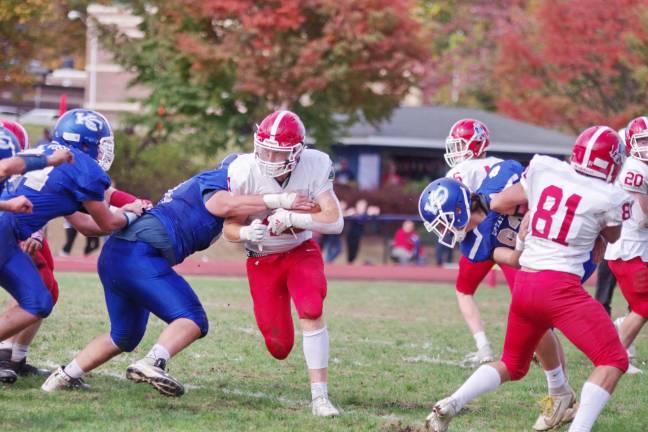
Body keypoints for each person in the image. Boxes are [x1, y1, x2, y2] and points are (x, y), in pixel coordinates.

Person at [42, 154, 313, 395]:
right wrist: (278, 199)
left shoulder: (217, 187)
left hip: (119, 254)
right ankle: (153, 362)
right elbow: (222, 204)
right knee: (193, 319)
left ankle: (63, 377)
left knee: (123, 335)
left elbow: (234, 221)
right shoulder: (220, 181)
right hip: (137, 254)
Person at [425, 126, 630, 432]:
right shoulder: (609, 195)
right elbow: (611, 236)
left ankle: (452, 402)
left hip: (526, 287)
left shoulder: (546, 170)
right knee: (613, 359)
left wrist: (525, 227)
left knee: (512, 364)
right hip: (560, 284)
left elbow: (500, 202)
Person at [0, 109, 146, 384]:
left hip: (8, 233)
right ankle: (6, 353)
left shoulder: (46, 151)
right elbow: (107, 223)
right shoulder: (84, 169)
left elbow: (85, 224)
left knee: (39, 300)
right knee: (37, 299)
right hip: (6, 234)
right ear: (87, 142)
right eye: (100, 144)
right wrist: (133, 212)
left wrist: (125, 210)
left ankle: (12, 354)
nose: (103, 151)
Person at [223, 110, 344, 417]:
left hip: (300, 250)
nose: (269, 157)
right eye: (264, 149)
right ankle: (308, 381)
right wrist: (248, 231)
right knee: (279, 346)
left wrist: (292, 218)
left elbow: (334, 220)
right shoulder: (243, 170)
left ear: (297, 152)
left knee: (311, 308)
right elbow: (229, 229)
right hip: (262, 258)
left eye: (278, 152)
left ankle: (320, 397)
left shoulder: (315, 164)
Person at [444, 118, 505, 363]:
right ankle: (538, 345)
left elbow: (455, 208)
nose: (456, 150)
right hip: (506, 234)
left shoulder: (460, 171)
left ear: (476, 144)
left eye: (460, 144)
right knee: (526, 293)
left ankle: (484, 347)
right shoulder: (501, 164)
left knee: (464, 291)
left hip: (477, 238)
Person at [604, 116, 648, 376]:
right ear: (631, 142)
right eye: (643, 140)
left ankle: (620, 333)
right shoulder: (634, 168)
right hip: (630, 246)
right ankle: (615, 357)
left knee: (640, 306)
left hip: (636, 246)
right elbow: (643, 217)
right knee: (644, 306)